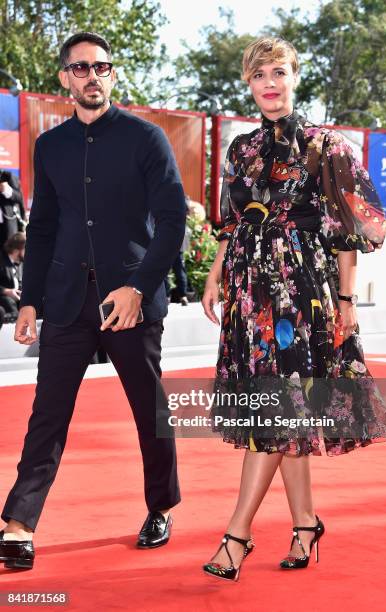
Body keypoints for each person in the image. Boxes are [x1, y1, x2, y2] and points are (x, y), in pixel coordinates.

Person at [201, 36, 386, 581]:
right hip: (248, 294)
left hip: (299, 295)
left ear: (294, 77)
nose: (270, 83)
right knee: (285, 415)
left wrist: (347, 301)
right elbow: (233, 222)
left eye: (279, 72)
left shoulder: (326, 146)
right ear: (248, 82)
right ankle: (305, 523)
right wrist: (216, 277)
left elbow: (349, 232)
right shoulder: (242, 149)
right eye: (259, 74)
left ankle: (237, 536)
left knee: (275, 413)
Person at [0, 31, 186, 570]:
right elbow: (45, 227)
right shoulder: (50, 146)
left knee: (148, 411)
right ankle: (19, 523)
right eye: (80, 69)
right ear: (65, 79)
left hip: (129, 301)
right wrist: (31, 298)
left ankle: (160, 506)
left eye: (101, 67)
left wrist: (138, 288)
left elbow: (173, 222)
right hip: (64, 301)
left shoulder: (146, 139)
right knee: (47, 416)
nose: (91, 76)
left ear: (113, 74)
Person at [0, 232, 25, 321]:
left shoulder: (21, 264)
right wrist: (6, 291)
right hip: (4, 299)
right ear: (16, 250)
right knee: (9, 302)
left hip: (17, 299)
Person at [0, 170, 26, 250]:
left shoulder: (8, 176)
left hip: (6, 226)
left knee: (7, 255)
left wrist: (6, 190)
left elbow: (19, 197)